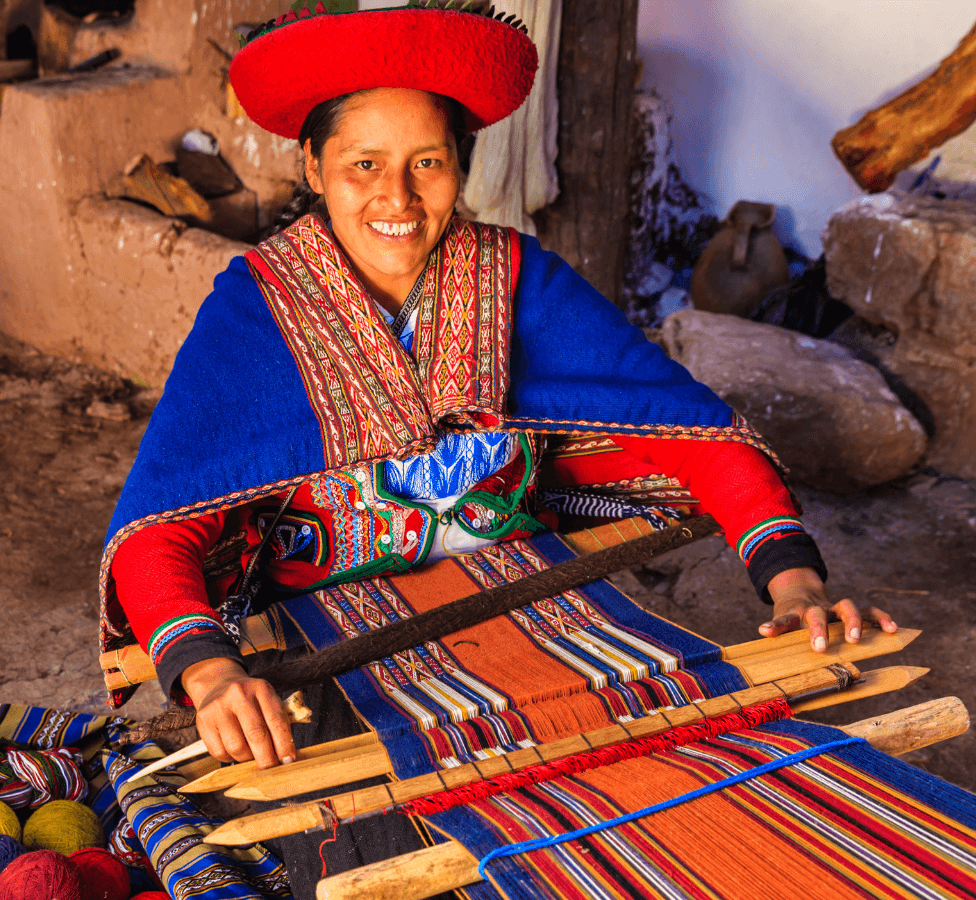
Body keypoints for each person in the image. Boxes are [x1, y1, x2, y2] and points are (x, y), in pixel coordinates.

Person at [100, 2, 896, 782]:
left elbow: (690, 433)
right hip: (335, 633)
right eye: (363, 165)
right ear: (313, 166)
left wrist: (796, 584)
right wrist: (209, 673)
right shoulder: (255, 308)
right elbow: (159, 524)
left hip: (531, 602)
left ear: (461, 164)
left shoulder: (519, 280)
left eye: (428, 162)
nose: (398, 200)